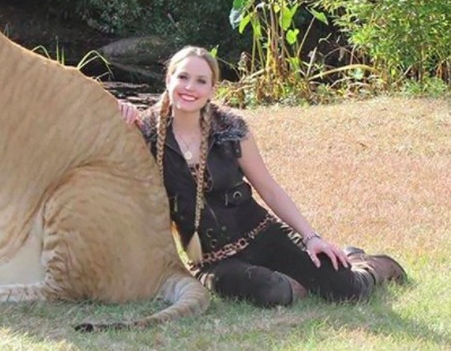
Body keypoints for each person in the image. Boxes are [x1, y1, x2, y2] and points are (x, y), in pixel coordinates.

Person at [117, 46, 406, 307]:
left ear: (212, 89)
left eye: (201, 81)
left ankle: (367, 263)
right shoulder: (145, 133)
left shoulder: (230, 129)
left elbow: (269, 189)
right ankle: (289, 280)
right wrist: (120, 116)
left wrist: (311, 238)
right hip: (212, 260)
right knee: (272, 292)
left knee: (346, 289)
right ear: (168, 79)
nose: (190, 87)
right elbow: (118, 183)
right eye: (182, 77)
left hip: (262, 235)